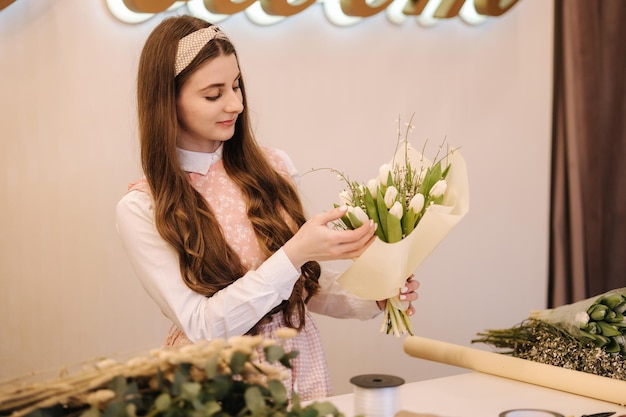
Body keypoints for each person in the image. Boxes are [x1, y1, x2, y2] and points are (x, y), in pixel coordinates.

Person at [115, 15, 419, 401]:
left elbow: (303, 288)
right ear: (166, 101)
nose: (236, 104)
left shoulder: (272, 167)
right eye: (213, 94)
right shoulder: (144, 208)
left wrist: (374, 295)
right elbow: (201, 325)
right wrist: (294, 253)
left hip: (299, 366)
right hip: (217, 386)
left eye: (237, 85)